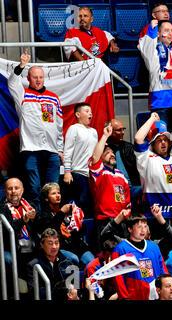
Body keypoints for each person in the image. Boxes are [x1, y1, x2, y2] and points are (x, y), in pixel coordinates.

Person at [8, 49, 63, 210]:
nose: (38, 80)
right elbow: (12, 82)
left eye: (40, 77)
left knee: (53, 190)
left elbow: (59, 125)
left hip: (52, 150)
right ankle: (37, 222)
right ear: (28, 78)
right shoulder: (22, 95)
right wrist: (21, 65)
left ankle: (52, 221)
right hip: (30, 149)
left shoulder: (54, 97)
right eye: (35, 77)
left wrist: (60, 149)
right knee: (34, 188)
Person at [89, 123, 131, 252]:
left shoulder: (121, 175)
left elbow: (128, 203)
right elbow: (95, 157)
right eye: (107, 153)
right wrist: (105, 135)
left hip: (122, 223)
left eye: (112, 152)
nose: (111, 154)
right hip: (105, 222)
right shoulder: (99, 172)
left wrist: (126, 216)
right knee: (107, 256)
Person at [134, 112, 172, 225]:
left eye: (165, 139)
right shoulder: (146, 158)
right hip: (154, 215)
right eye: (159, 140)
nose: (163, 142)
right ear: (152, 143)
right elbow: (138, 138)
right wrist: (151, 120)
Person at [36, 182, 94, 268]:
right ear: (46, 198)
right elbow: (51, 230)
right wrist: (61, 212)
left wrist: (77, 220)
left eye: (58, 193)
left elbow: (80, 233)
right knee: (73, 259)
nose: (57, 195)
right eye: (53, 193)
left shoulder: (67, 212)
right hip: (60, 248)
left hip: (76, 246)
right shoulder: (43, 215)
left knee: (92, 262)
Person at [112, 214, 168, 300]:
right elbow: (118, 277)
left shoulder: (154, 247)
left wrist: (166, 288)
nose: (143, 230)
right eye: (139, 227)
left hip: (156, 295)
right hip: (134, 297)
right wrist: (124, 297)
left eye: (145, 226)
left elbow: (163, 269)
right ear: (130, 229)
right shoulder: (120, 249)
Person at [62, 102, 98, 217]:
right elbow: (67, 151)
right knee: (80, 206)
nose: (90, 114)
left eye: (91, 112)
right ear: (78, 114)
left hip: (92, 175)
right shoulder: (74, 128)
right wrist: (67, 171)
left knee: (92, 207)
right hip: (78, 173)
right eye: (87, 111)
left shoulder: (94, 131)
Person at [0, 178, 38, 282]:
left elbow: (41, 227)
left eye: (16, 188)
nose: (13, 192)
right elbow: (8, 230)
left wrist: (35, 218)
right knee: (8, 260)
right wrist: (24, 220)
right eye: (10, 188)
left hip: (31, 247)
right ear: (5, 191)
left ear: (22, 190)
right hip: (11, 248)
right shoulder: (2, 208)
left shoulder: (30, 205)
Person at [26, 228, 78, 299]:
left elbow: (75, 285)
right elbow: (35, 291)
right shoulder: (33, 265)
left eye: (56, 243)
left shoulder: (67, 261)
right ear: (42, 244)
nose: (54, 247)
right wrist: (58, 294)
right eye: (50, 243)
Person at [105, 119, 142, 210]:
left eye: (123, 129)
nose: (123, 132)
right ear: (110, 131)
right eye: (119, 130)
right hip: (115, 190)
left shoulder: (128, 147)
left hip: (132, 188)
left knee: (149, 188)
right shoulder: (103, 150)